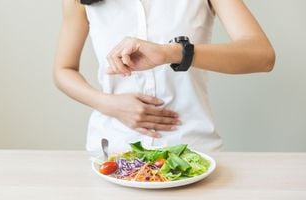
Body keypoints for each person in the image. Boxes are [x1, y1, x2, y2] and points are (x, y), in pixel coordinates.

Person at [54, 0, 275, 154]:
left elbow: (262, 55)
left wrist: (171, 52)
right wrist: (109, 104)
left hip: (192, 148)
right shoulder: (77, 1)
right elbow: (63, 70)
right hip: (112, 149)